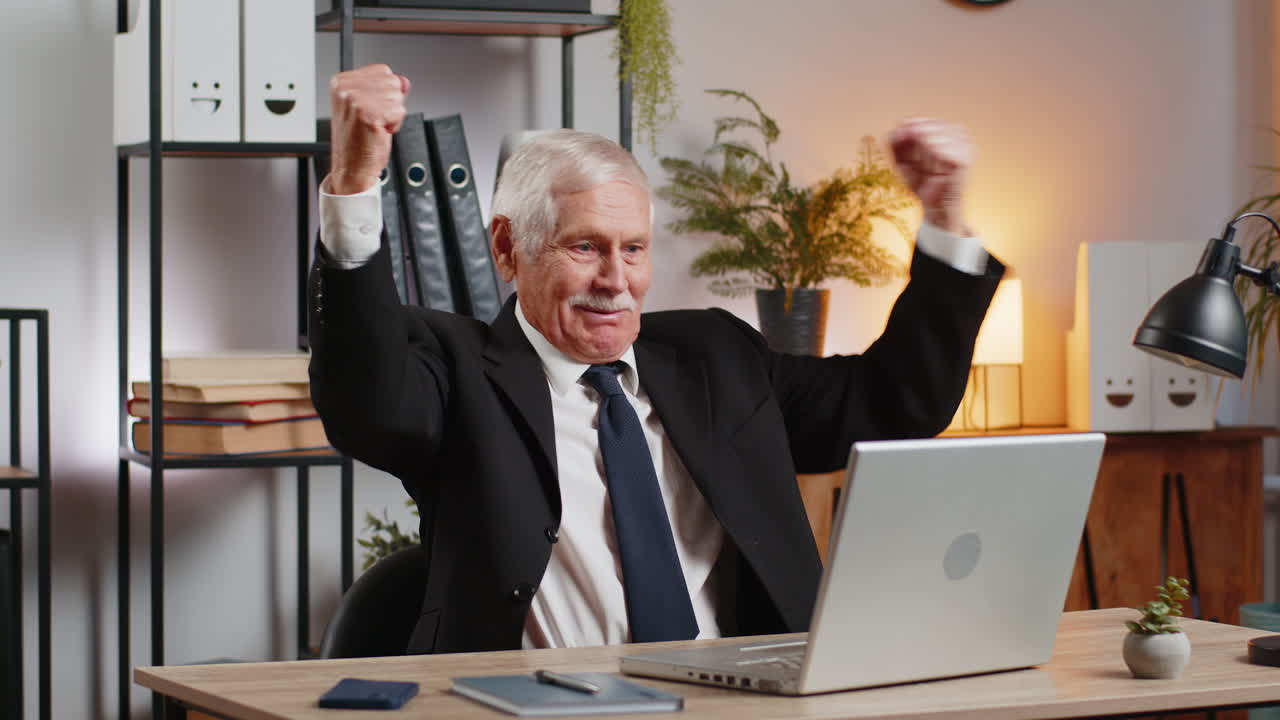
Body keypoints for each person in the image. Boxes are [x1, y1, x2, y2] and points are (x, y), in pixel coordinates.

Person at [309, 64, 1004, 654]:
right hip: (538, 705)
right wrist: (353, 180)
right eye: (585, 247)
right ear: (507, 249)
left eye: (633, 249)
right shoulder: (458, 369)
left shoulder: (716, 356)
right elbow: (364, 402)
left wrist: (945, 223)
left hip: (740, 699)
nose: (616, 279)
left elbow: (893, 403)